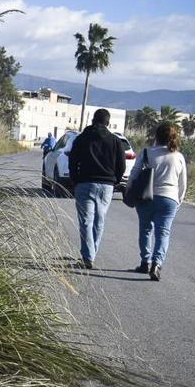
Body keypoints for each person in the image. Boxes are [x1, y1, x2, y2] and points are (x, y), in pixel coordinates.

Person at [129, 121, 188, 281]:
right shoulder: (179, 157)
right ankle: (157, 264)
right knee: (163, 232)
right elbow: (182, 184)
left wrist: (129, 191)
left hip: (146, 197)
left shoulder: (147, 152)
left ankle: (144, 262)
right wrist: (178, 202)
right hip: (169, 199)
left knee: (145, 229)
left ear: (156, 136)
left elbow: (134, 173)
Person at [68, 108, 126, 269]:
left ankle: (88, 256)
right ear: (108, 123)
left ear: (93, 120)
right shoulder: (115, 141)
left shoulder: (82, 138)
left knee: (86, 221)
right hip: (106, 186)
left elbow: (73, 161)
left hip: (85, 183)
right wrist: (115, 181)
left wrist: (75, 180)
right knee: (99, 221)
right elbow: (121, 165)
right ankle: (91, 253)